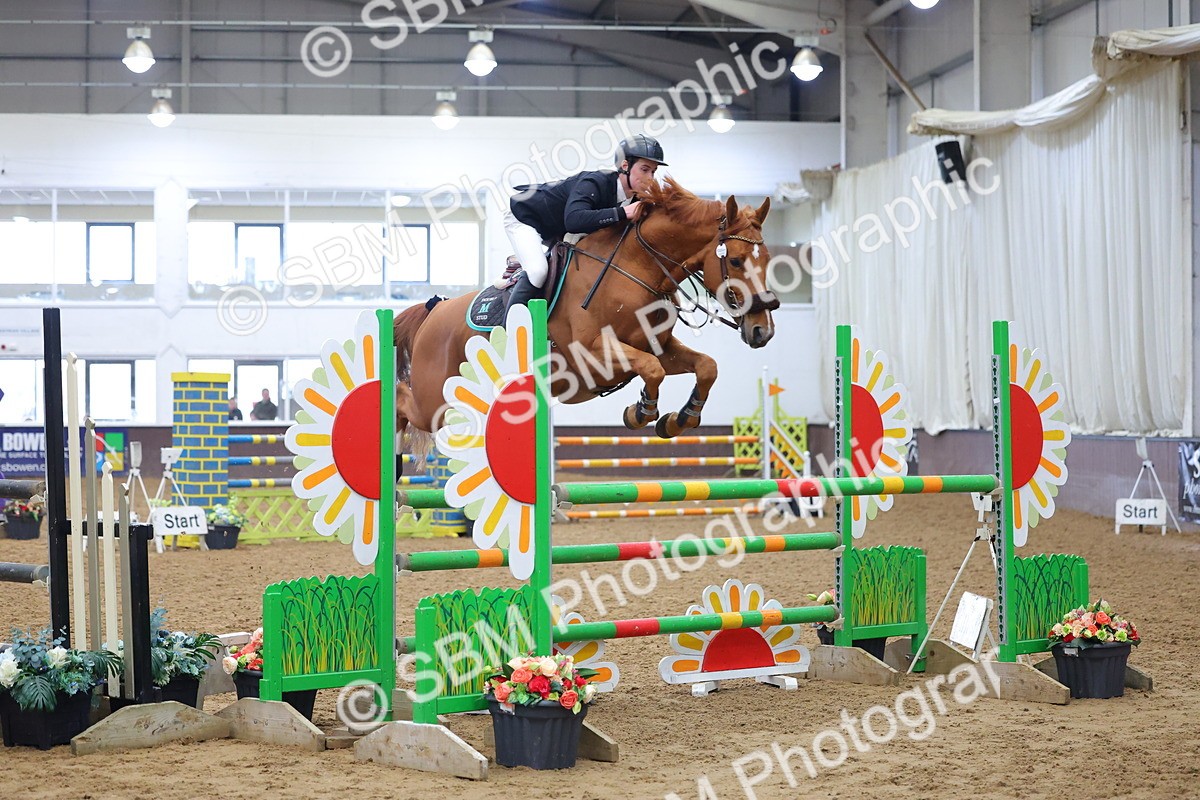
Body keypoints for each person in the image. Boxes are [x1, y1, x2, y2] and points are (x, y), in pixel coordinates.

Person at [503, 134, 668, 307]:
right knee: (538, 272)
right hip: (524, 216)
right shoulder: (594, 182)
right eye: (645, 169)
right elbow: (574, 221)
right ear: (625, 165)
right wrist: (622, 212)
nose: (650, 178)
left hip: (556, 227)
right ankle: (511, 330)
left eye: (653, 172)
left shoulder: (634, 200)